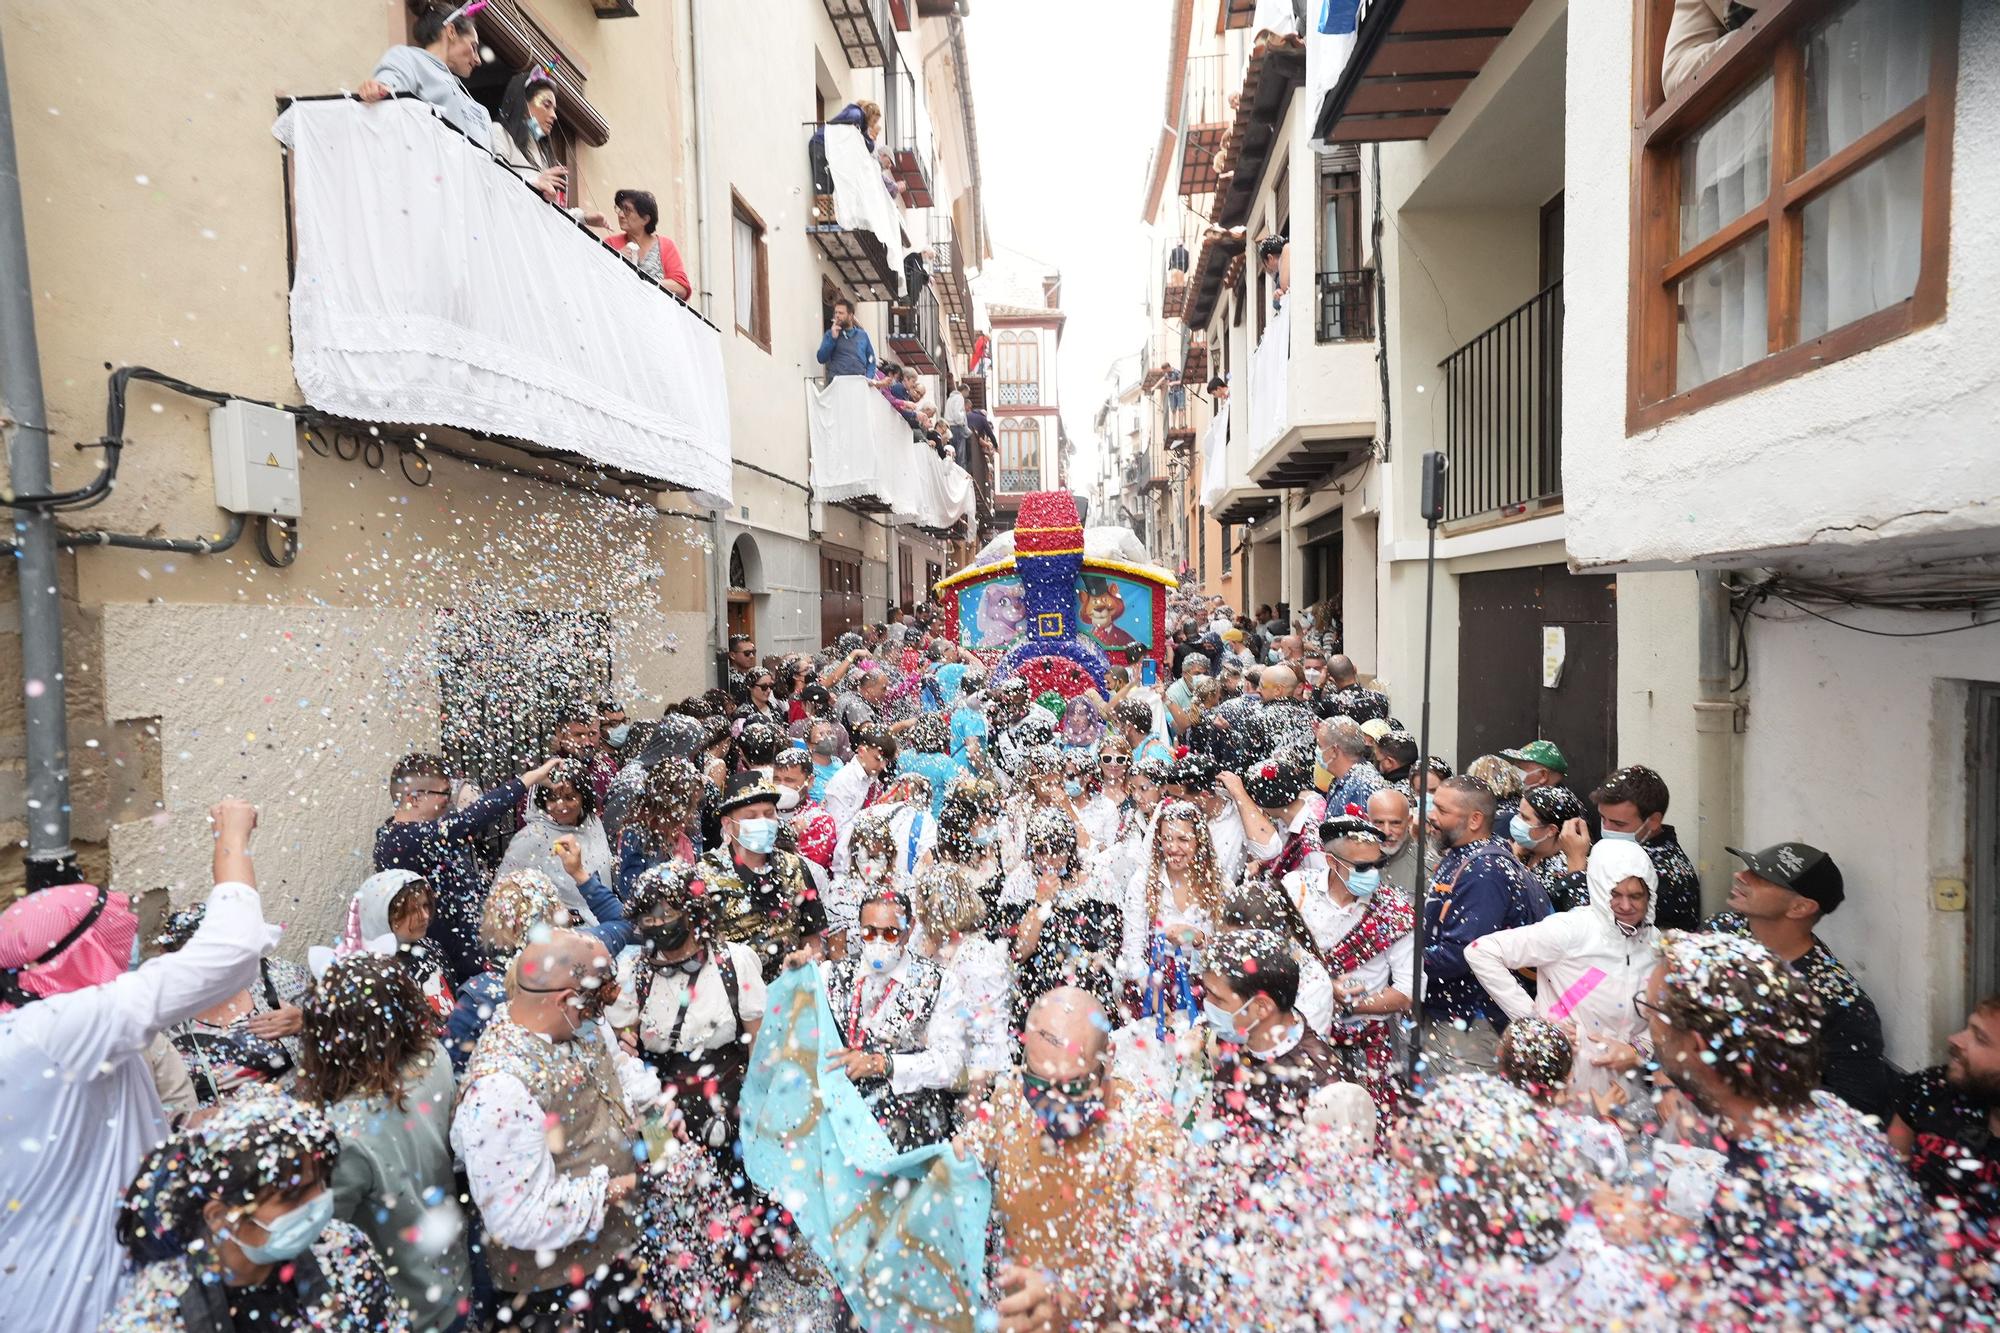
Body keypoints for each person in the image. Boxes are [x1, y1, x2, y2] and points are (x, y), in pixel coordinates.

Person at [0, 800, 272, 1333]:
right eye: (115, 943)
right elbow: (233, 950)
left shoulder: (30, 1026)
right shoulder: (58, 1031)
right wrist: (232, 837)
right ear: (77, 955)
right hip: (79, 1306)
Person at [1634, 929, 1935, 1325]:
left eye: (1650, 1011)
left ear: (1696, 1045)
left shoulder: (1785, 1199)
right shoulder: (1820, 1110)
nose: (1649, 1028)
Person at [453, 930, 662, 1329]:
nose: (598, 1018)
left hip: (620, 1250)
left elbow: (619, 1073)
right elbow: (516, 1217)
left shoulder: (578, 1023)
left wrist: (660, 1134)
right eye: (593, 1006)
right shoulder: (499, 1090)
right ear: (565, 1000)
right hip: (558, 1286)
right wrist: (621, 1188)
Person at [957, 987, 1185, 1329]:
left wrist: (1072, 1295)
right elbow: (959, 1164)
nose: (1053, 1103)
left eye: (1071, 1087)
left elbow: (1159, 1256)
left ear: (1108, 1057)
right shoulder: (1010, 1101)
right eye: (1038, 1084)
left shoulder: (1148, 1130)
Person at [107, 1090, 407, 1332]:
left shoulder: (341, 1248)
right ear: (220, 1216)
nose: (318, 1202)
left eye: (322, 1181)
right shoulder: (156, 1317)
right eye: (293, 1196)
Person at [298, 954, 468, 1333]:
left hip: (407, 1302)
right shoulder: (434, 1060)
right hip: (451, 1271)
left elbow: (324, 1235)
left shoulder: (344, 1133)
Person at [1704, 841, 1891, 1120]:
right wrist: (1665, 1077)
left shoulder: (1838, 1001)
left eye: (1762, 876)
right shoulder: (1721, 932)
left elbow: (1856, 1104)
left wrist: (1748, 1107)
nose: (1740, 875)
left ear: (1800, 907)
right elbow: (1675, 1002)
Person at [1467, 840, 1660, 1104]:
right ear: (1599, 890)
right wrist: (1536, 1024)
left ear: (1650, 896)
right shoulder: (1572, 930)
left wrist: (1638, 1050)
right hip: (1565, 1086)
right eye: (1615, 894)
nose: (1625, 905)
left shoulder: (1656, 946)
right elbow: (1482, 951)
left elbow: (1664, 1014)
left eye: (1636, 896)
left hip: (1625, 1093)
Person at [605, 862, 764, 1160]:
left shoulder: (734, 962)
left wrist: (755, 1103)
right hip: (661, 1108)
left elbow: (758, 1041)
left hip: (732, 1097)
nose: (658, 924)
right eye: (649, 918)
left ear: (693, 913)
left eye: (667, 915)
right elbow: (623, 1047)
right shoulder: (633, 974)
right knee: (672, 1180)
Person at [376, 751, 559, 986]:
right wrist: (528, 779)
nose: (449, 801)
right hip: (450, 972)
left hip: (473, 961)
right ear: (414, 798)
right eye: (444, 793)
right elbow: (469, 820)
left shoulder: (424, 836)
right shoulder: (401, 842)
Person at [1420, 776, 1552, 1077]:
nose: (1431, 816)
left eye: (1442, 810)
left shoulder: (1485, 872)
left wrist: (1404, 965)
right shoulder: (1465, 856)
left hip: (1471, 1021)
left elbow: (1461, 953)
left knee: (1461, 1103)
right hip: (1455, 1013)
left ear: (1475, 820)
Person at [444, 864, 631, 1071]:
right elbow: (623, 921)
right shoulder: (582, 956)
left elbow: (455, 1073)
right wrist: (579, 873)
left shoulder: (479, 997)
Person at [820, 890, 968, 1151]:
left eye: (890, 933)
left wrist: (885, 1064)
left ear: (908, 930)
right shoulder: (831, 974)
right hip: (843, 1129)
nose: (879, 942)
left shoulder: (938, 982)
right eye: (869, 933)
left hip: (911, 1131)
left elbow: (951, 1063)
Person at [155, 901, 312, 1105]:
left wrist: (308, 1022)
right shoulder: (159, 1020)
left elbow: (344, 1033)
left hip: (297, 1117)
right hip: (213, 1125)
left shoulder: (276, 978)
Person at [1202, 929, 1346, 1131]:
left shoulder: (1321, 1085)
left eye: (1217, 999)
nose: (1207, 1004)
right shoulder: (1236, 1033)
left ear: (1262, 1008)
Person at [998, 809, 1127, 1027]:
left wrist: (1096, 964)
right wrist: (1040, 903)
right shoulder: (1020, 882)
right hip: (1038, 995)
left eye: (1057, 848)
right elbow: (1018, 952)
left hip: (1089, 992)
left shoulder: (1097, 878)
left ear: (1070, 847)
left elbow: (1115, 939)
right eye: (1041, 850)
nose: (1049, 858)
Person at [1888, 997, 2000, 1242]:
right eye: (1968, 1028)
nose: (1955, 1039)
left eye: (1980, 1038)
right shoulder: (1931, 1088)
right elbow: (1894, 1155)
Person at [699, 771, 825, 982]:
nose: (763, 822)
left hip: (789, 986)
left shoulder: (794, 867)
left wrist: (806, 960)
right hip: (732, 988)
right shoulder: (707, 874)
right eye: (751, 817)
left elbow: (813, 940)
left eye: (769, 814)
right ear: (728, 824)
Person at [1119, 799, 1226, 1025]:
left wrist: (1197, 938)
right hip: (1151, 983)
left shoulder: (1219, 884)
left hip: (1207, 986)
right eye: (1167, 839)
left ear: (1199, 841)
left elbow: (1228, 950)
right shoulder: (1143, 882)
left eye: (1183, 839)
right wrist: (1158, 1001)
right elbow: (1132, 952)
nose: (1173, 848)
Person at [912, 863, 1013, 1085]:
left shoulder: (977, 957)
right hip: (930, 1067)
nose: (918, 912)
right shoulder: (923, 942)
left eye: (920, 902)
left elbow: (989, 1031)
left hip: (970, 1075)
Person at [499, 759, 615, 922]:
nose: (560, 806)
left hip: (607, 922)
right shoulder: (532, 836)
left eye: (569, 797)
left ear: (584, 798)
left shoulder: (593, 823)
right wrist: (553, 916)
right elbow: (504, 896)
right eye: (552, 798)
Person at [1589, 765, 1701, 931]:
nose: (1607, 829)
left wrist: (1575, 865)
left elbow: (1606, 930)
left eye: (1618, 824)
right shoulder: (1621, 851)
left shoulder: (1662, 873)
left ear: (1653, 821)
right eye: (1603, 819)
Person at [357, 1, 489, 141]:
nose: (478, 60)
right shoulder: (409, 58)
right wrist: (379, 89)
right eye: (473, 47)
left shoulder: (476, 105)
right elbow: (388, 87)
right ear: (451, 32)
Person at [614, 756, 702, 899]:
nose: (691, 813)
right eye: (689, 806)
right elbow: (630, 890)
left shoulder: (683, 836)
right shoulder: (636, 835)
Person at [1509, 782, 1592, 912]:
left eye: (1524, 818)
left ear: (1551, 830)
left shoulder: (1564, 869)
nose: (1516, 820)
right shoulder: (1525, 851)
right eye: (1519, 813)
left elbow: (1577, 916)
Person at [824, 723, 896, 871]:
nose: (882, 766)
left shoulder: (872, 778)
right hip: (845, 861)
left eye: (886, 761)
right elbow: (838, 832)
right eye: (878, 759)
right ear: (862, 751)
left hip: (866, 857)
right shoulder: (844, 781)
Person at [602, 188, 691, 299]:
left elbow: (681, 289)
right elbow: (598, 278)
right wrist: (615, 259)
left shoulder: (666, 245)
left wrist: (644, 283)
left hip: (656, 309)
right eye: (619, 209)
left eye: (627, 210)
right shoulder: (610, 243)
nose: (620, 215)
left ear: (645, 219)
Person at [1317, 715, 1385, 814]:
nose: (1317, 751)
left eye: (1320, 746)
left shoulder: (1361, 787)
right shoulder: (1341, 781)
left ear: (1334, 750)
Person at [1365, 787, 1420, 896]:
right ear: (1367, 820)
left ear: (1409, 821)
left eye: (1395, 823)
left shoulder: (1425, 867)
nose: (1386, 832)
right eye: (1379, 822)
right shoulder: (1351, 858)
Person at [1498, 738, 1570, 793]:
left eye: (1519, 768)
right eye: (1514, 766)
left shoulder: (1553, 806)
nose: (1513, 772)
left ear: (1543, 775)